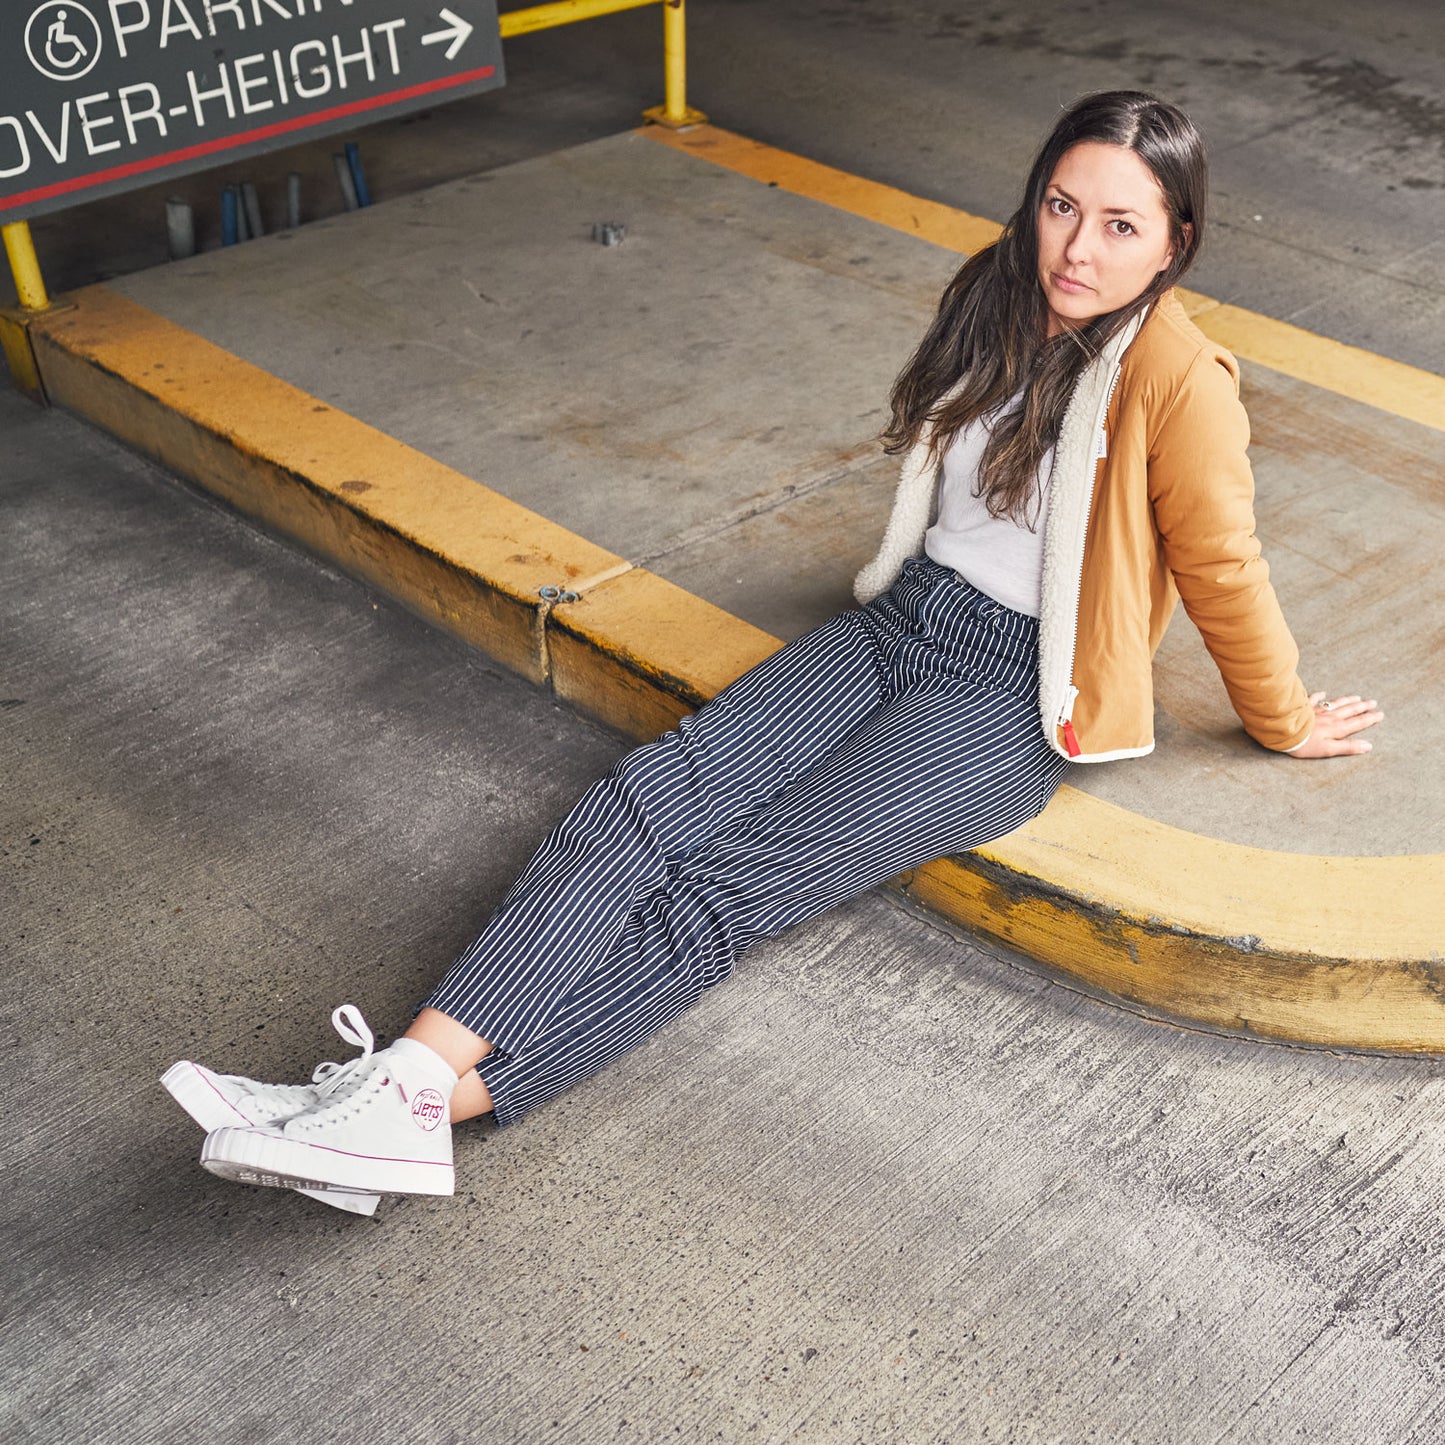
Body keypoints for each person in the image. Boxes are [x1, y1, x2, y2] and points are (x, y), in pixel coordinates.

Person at [163, 91, 1383, 1215]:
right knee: (641, 800)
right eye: (1061, 205)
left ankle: (423, 1109)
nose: (1076, 246)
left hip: (1015, 693)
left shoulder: (1181, 380)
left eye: (1121, 225)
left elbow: (1222, 567)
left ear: (1173, 244)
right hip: (903, 620)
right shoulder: (1003, 290)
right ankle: (389, 1089)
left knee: (729, 884)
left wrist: (1277, 716)